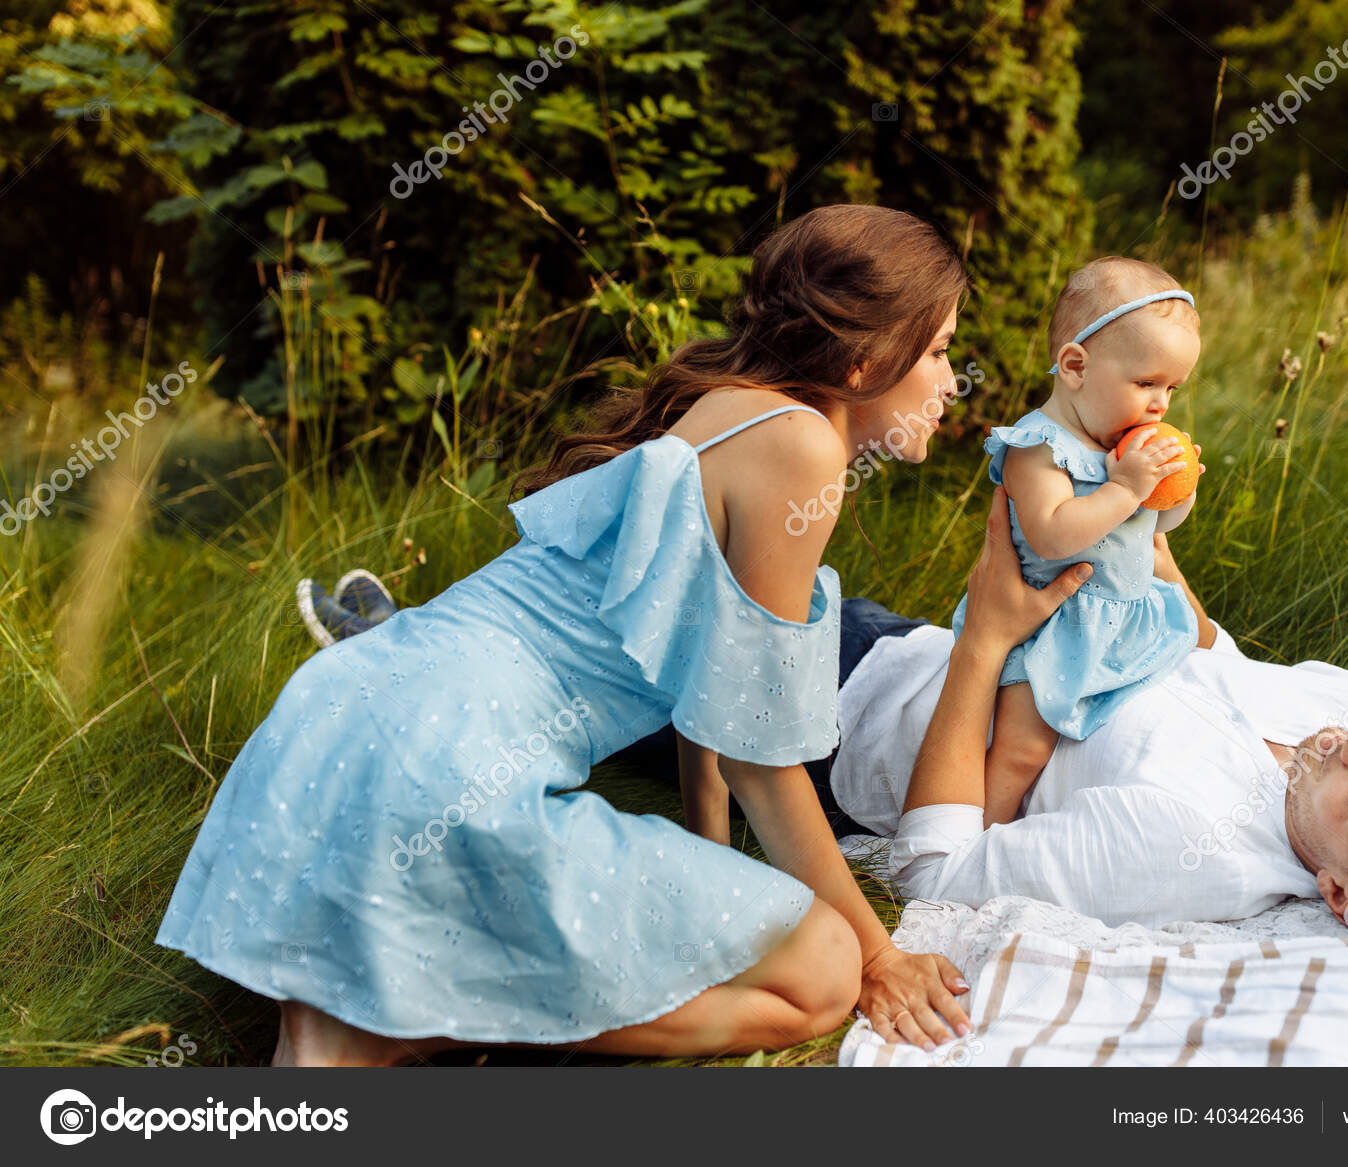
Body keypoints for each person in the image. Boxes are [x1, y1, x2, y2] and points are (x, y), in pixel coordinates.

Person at [156, 204, 1077, 1063]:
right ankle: (404, 1027)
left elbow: (715, 710)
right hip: (443, 768)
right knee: (826, 972)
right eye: (941, 351)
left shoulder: (733, 406)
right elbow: (762, 760)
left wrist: (720, 877)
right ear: (863, 360)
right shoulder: (805, 450)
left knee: (774, 938)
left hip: (340, 713)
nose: (954, 382)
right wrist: (881, 957)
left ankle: (366, 1009)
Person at [827, 523, 1348, 939]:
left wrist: (986, 640)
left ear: (1336, 893)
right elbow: (1217, 663)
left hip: (838, 715)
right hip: (902, 637)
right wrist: (1144, 540)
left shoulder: (1190, 844)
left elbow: (936, 875)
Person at [948, 257, 1207, 827]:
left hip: (1126, 620)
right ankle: (976, 839)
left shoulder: (1123, 445)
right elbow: (1053, 534)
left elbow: (1154, 530)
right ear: (1074, 366)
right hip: (1051, 628)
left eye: (1171, 388)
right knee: (1023, 750)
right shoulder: (1038, 445)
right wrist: (1125, 487)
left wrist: (1174, 490)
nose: (1160, 405)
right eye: (1145, 383)